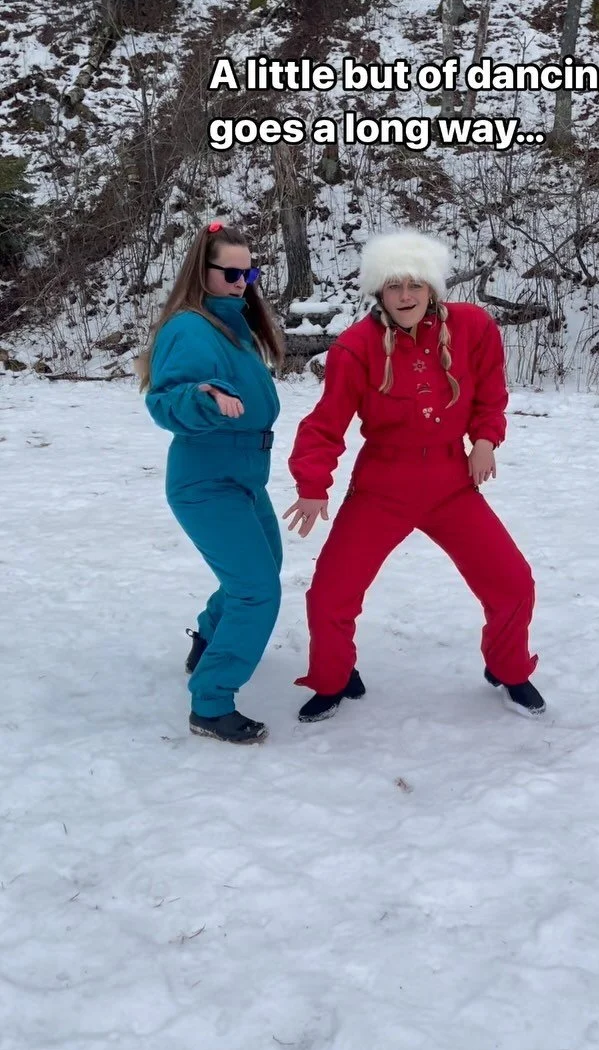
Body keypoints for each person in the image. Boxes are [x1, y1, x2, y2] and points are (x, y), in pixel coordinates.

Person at [283, 227, 545, 724]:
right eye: (394, 286)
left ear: (431, 288)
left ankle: (508, 668)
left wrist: (484, 440)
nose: (405, 296)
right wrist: (313, 486)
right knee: (330, 595)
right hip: (383, 485)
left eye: (415, 285)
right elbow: (325, 424)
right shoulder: (355, 348)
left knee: (513, 582)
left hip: (451, 483)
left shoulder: (473, 327)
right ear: (379, 292)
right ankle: (334, 679)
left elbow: (490, 393)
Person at [136, 220, 285, 745]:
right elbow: (165, 399)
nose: (243, 283)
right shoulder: (190, 328)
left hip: (244, 478)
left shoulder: (230, 325)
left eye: (250, 273)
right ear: (203, 271)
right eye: (232, 273)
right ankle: (212, 702)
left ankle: (208, 641)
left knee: (261, 572)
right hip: (206, 481)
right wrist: (204, 398)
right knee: (257, 591)